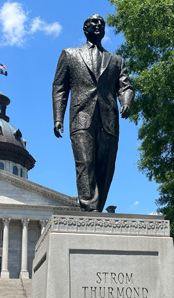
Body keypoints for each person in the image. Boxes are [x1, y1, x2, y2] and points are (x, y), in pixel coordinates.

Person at [52, 14, 135, 212]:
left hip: (109, 119)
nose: (98, 25)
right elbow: (60, 88)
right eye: (94, 22)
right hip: (81, 117)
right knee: (85, 163)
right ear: (85, 28)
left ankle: (98, 206)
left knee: (105, 168)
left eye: (102, 23)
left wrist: (126, 102)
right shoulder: (69, 54)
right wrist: (58, 118)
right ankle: (90, 209)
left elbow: (126, 86)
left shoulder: (116, 60)